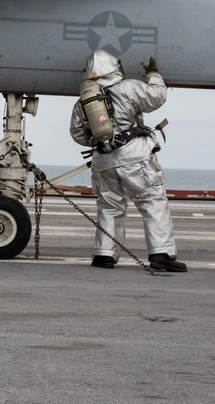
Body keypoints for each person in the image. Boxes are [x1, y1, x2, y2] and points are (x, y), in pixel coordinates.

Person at [69, 50, 186, 272]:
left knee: (109, 207)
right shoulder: (128, 87)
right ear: (115, 67)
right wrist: (153, 73)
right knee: (152, 202)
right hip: (135, 157)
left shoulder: (83, 102)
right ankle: (161, 253)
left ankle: (104, 255)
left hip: (102, 162)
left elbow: (77, 133)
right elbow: (157, 97)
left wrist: (100, 140)